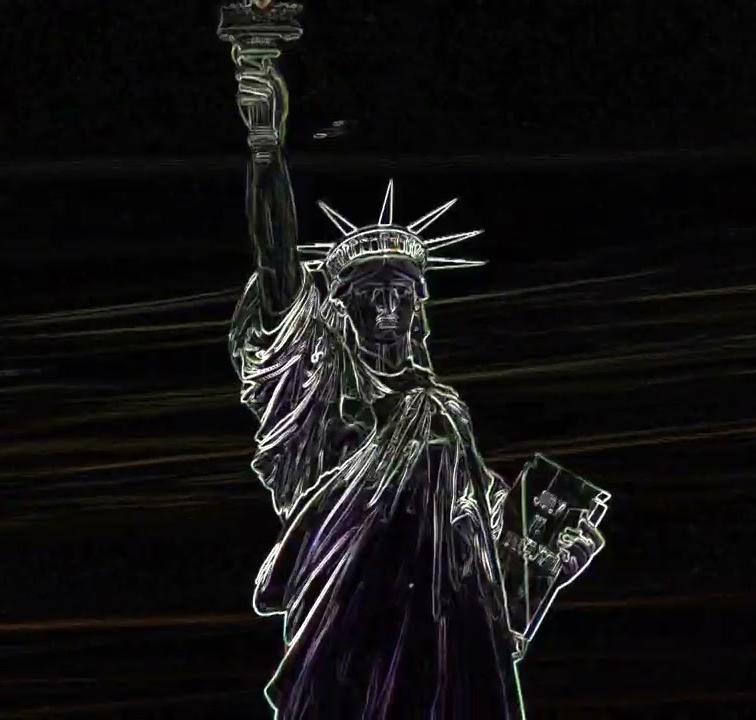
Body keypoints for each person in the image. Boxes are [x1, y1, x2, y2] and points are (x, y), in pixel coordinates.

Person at [228, 51, 603, 719]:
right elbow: (278, 266)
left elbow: (488, 541)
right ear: (341, 309)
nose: (388, 310)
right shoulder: (320, 394)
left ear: (419, 309)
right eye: (370, 295)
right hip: (350, 632)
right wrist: (265, 149)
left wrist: (547, 556)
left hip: (448, 645)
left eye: (402, 294)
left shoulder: (445, 412)